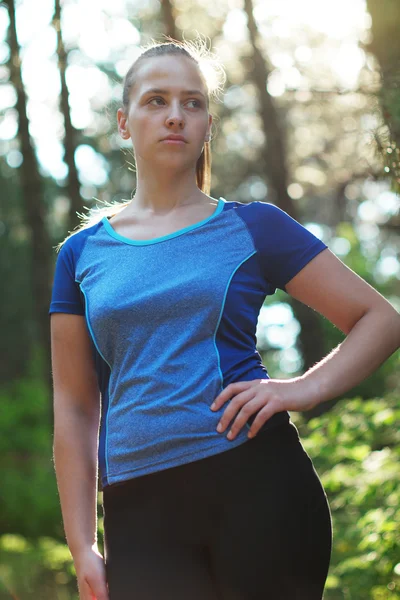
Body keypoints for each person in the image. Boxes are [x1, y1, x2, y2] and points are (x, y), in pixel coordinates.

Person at [49, 37, 400, 600]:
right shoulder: (81, 255)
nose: (174, 116)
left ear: (207, 125)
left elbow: (380, 319)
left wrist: (302, 389)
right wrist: (81, 541)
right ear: (123, 122)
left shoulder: (254, 226)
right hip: (139, 510)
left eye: (192, 103)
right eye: (156, 100)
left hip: (257, 485)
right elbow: (74, 403)